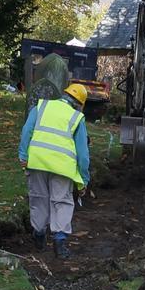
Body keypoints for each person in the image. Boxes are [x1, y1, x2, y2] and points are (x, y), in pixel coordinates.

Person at [19, 82, 92, 259]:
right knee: (61, 202)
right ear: (80, 104)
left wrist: (23, 155)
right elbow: (83, 155)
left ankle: (38, 235)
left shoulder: (42, 106)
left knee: (38, 199)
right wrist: (83, 180)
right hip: (62, 168)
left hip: (37, 162)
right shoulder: (77, 118)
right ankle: (59, 243)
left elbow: (27, 130)